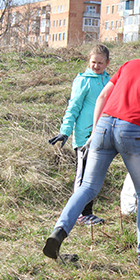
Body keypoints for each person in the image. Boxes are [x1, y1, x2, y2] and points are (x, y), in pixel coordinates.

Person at [43, 36, 140, 266]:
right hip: (131, 131)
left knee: (88, 187)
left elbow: (103, 96)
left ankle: (58, 232)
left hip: (103, 126)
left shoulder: (130, 64)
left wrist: (94, 132)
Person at [48, 45, 111, 226]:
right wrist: (65, 131)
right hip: (84, 138)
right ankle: (80, 214)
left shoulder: (109, 81)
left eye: (100, 63)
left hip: (102, 135)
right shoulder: (83, 81)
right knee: (83, 177)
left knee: (94, 177)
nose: (96, 66)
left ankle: (88, 212)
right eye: (93, 62)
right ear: (88, 61)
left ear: (107, 62)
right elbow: (73, 107)